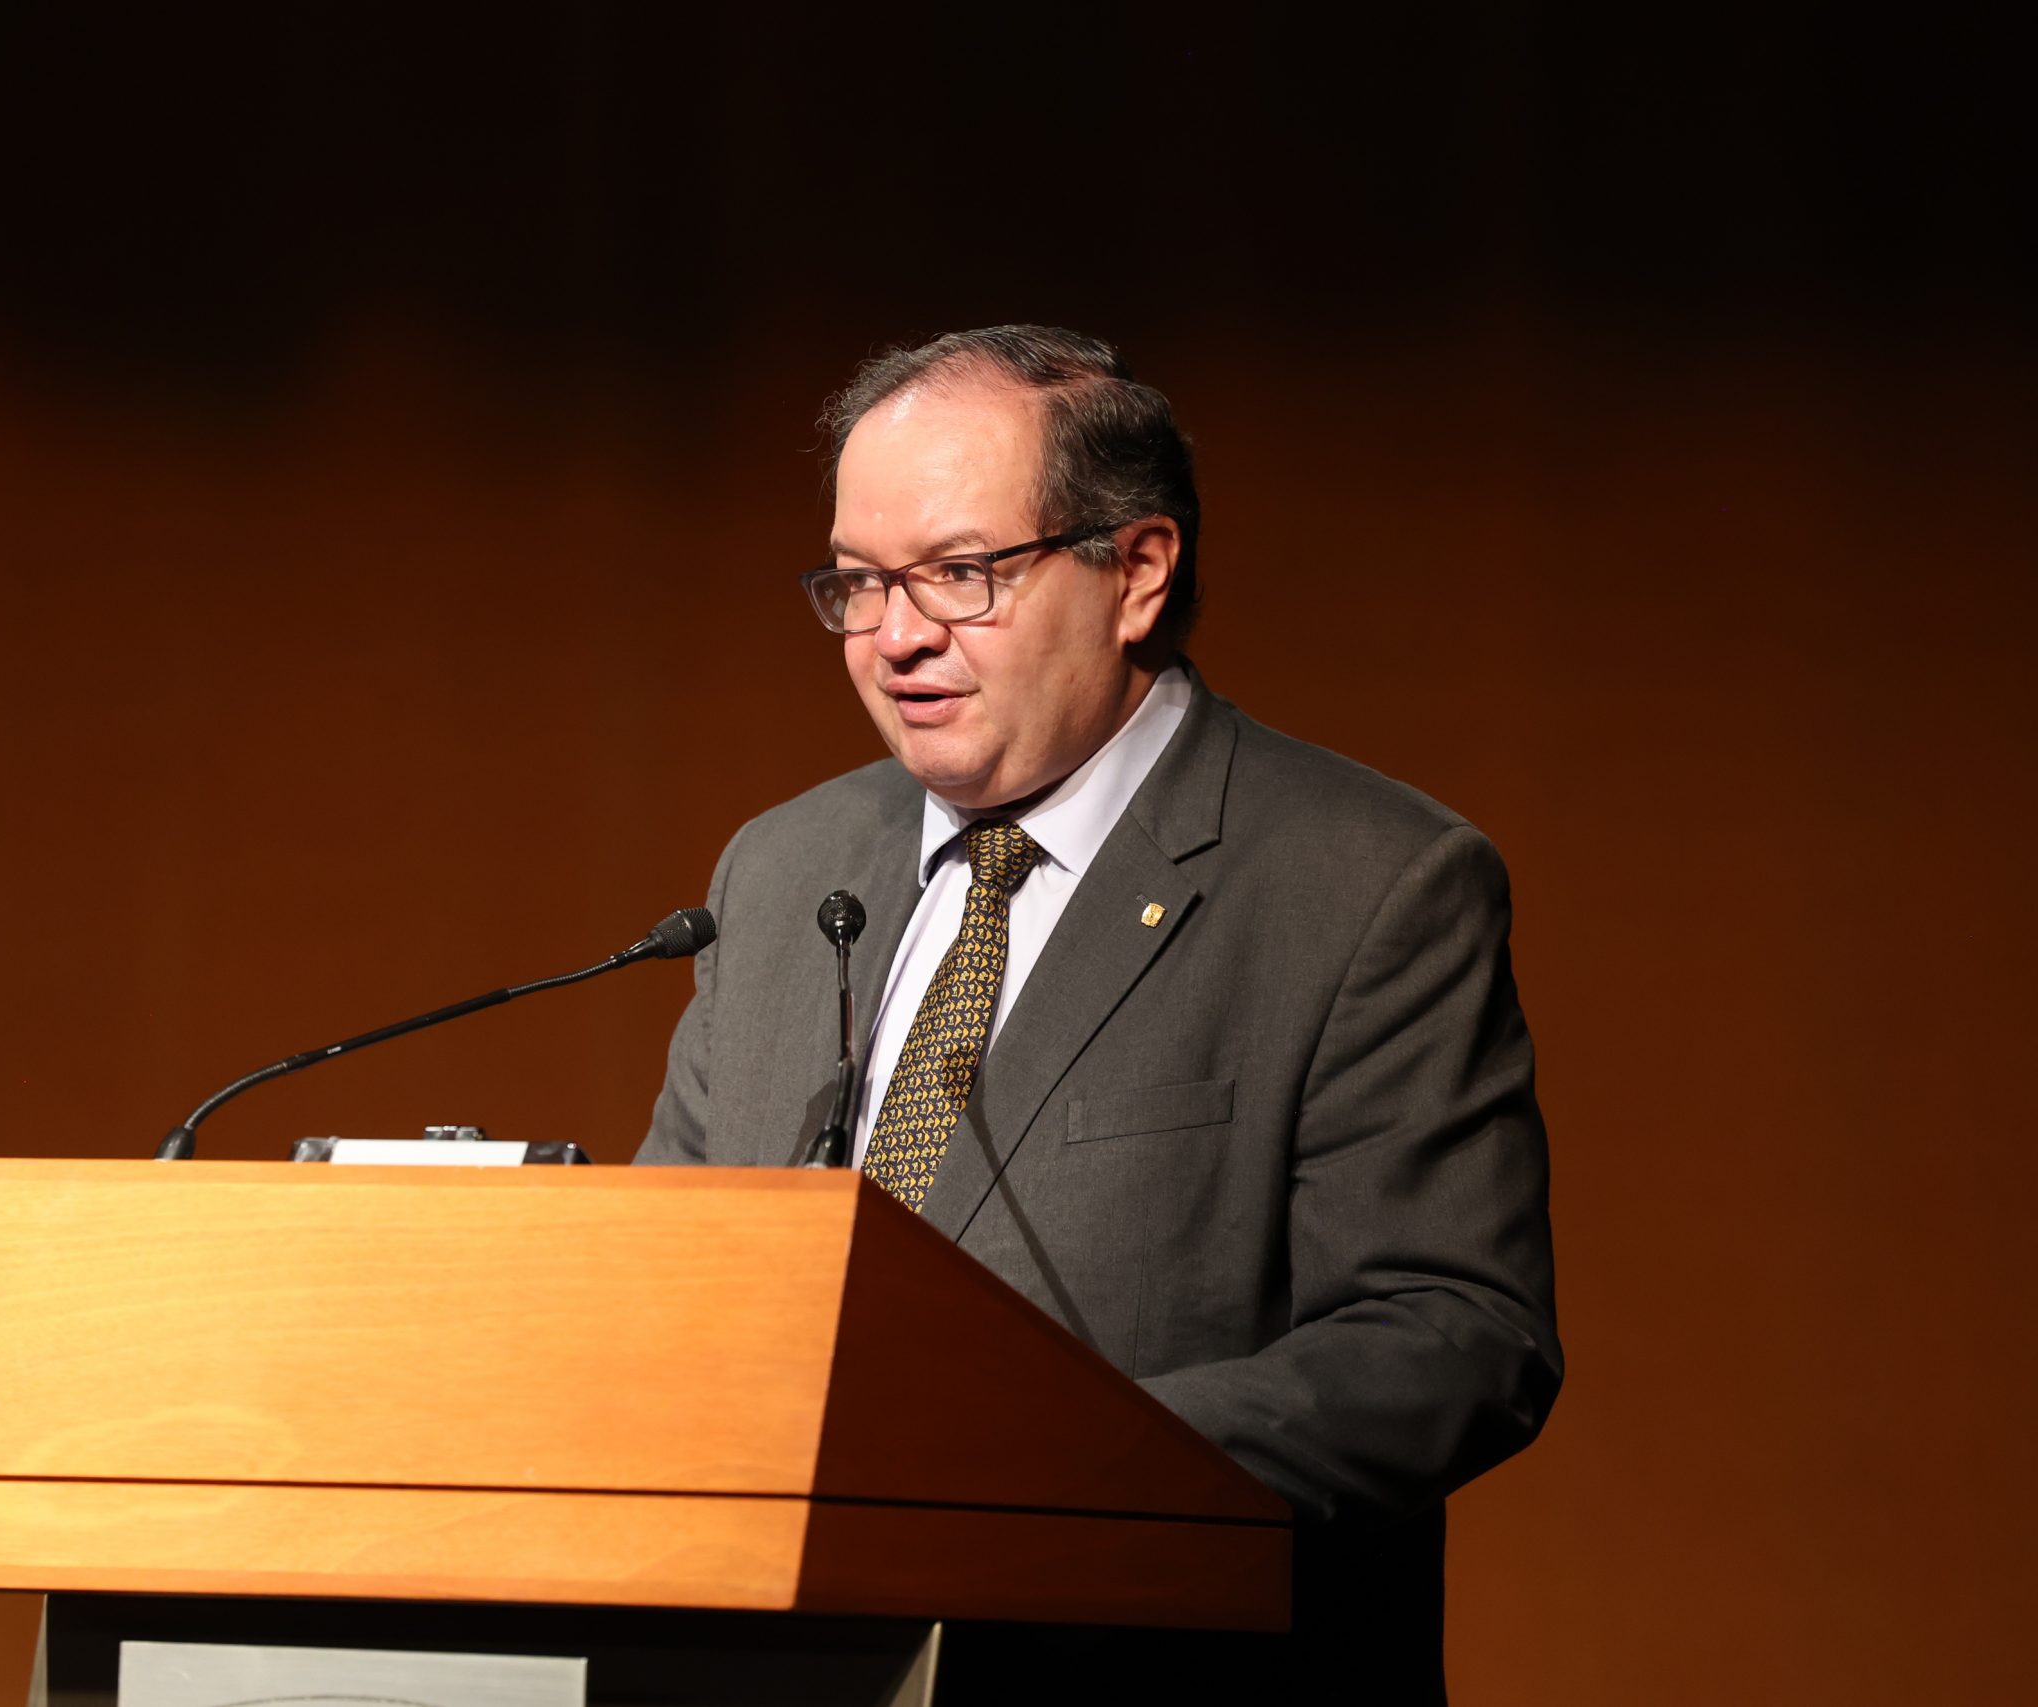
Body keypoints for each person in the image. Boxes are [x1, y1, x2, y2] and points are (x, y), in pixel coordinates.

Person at [635, 325, 1560, 1700]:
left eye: (958, 574)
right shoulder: (782, 871)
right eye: (858, 583)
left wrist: (1052, 1462)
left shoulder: (1365, 882)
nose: (896, 636)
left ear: (1135, 570)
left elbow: (1451, 1338)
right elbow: (668, 1282)